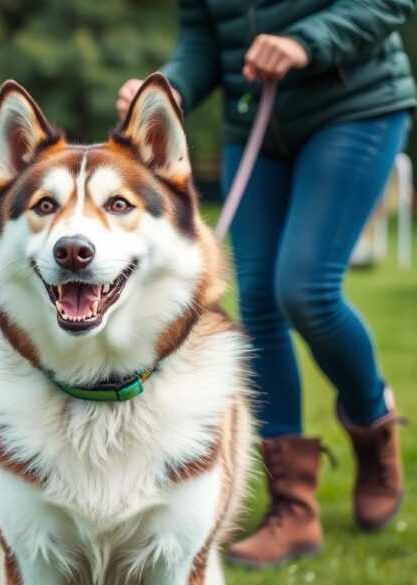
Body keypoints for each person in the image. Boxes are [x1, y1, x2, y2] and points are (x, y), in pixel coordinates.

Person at [117, 0, 416, 569]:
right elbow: (204, 37)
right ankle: (292, 504)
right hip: (256, 120)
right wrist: (171, 87)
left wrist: (308, 40)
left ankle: (373, 426)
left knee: (305, 289)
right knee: (254, 297)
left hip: (355, 106)